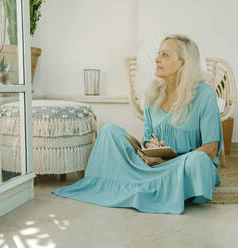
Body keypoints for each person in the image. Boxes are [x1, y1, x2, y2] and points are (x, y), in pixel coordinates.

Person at [52, 34, 223, 214]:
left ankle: (144, 182)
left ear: (183, 63)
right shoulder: (153, 93)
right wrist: (151, 148)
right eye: (158, 53)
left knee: (198, 161)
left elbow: (211, 149)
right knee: (109, 132)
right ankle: (156, 184)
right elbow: (147, 138)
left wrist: (167, 160)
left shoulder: (205, 95)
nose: (157, 59)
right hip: (154, 165)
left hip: (183, 165)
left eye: (165, 55)